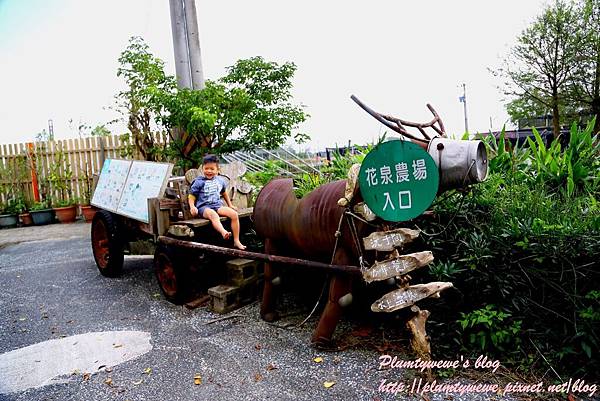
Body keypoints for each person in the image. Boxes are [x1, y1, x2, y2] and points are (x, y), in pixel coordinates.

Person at [188, 154, 246, 250]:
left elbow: (224, 193)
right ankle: (224, 232)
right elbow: (191, 196)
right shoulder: (199, 182)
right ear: (202, 169)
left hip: (217, 205)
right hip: (203, 208)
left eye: (212, 169)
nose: (209, 171)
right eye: (206, 168)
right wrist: (192, 207)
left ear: (218, 170)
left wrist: (230, 205)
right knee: (213, 215)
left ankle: (236, 240)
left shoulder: (220, 181)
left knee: (234, 214)